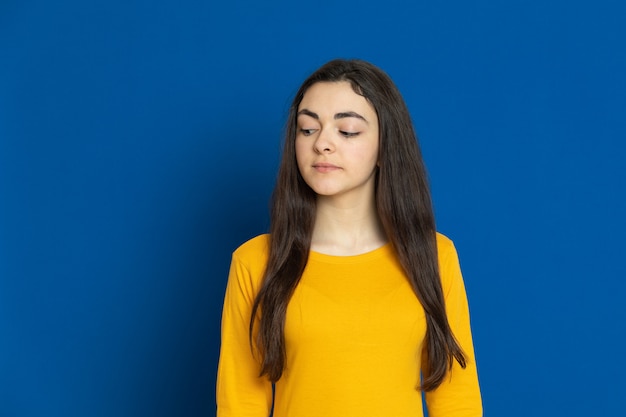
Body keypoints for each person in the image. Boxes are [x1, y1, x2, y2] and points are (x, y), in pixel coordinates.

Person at [216, 59, 482, 417]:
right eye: (308, 128)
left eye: (348, 131)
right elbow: (240, 404)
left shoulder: (434, 256)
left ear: (385, 146)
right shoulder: (255, 261)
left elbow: (456, 400)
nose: (322, 143)